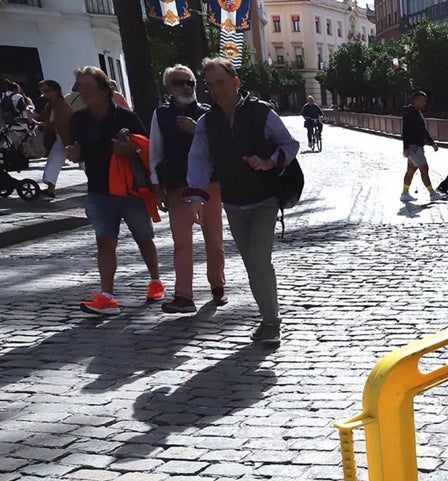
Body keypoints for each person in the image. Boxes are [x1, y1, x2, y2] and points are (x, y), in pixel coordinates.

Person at [184, 57, 299, 345]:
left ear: (236, 82)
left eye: (221, 82)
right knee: (251, 263)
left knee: (260, 260)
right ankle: (267, 318)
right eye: (210, 85)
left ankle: (272, 322)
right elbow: (199, 159)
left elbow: (289, 144)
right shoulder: (206, 123)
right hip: (233, 202)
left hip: (265, 199)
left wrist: (269, 161)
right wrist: (196, 195)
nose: (216, 89)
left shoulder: (261, 113)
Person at [66, 65, 163, 316]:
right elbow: (77, 150)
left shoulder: (125, 118)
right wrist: (74, 154)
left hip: (130, 190)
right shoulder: (78, 119)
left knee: (144, 238)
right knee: (104, 242)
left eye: (89, 86)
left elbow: (146, 149)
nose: (84, 92)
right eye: (80, 87)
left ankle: (155, 280)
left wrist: (129, 151)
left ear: (104, 89)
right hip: (98, 189)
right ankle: (107, 296)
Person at [150, 64, 226, 314]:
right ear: (168, 87)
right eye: (178, 82)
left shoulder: (208, 113)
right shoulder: (161, 114)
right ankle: (183, 296)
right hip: (177, 185)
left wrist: (198, 132)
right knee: (182, 242)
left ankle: (217, 285)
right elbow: (155, 152)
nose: (185, 87)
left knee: (214, 239)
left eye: (190, 82)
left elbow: (221, 149)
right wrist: (156, 186)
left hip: (208, 184)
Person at [36, 80, 73, 199]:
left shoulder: (61, 105)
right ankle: (50, 189)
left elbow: (57, 123)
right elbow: (42, 116)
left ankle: (101, 184)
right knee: (54, 160)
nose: (44, 94)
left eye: (46, 91)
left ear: (56, 91)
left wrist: (40, 123)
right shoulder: (51, 105)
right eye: (42, 92)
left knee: (85, 163)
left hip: (70, 138)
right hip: (61, 138)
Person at [400, 90, 437, 202]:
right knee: (424, 168)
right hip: (414, 146)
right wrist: (405, 147)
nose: (424, 103)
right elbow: (405, 131)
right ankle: (432, 193)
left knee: (411, 170)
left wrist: (431, 142)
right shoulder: (410, 113)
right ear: (415, 100)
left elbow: (423, 130)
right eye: (422, 101)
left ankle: (405, 193)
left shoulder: (417, 112)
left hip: (416, 146)